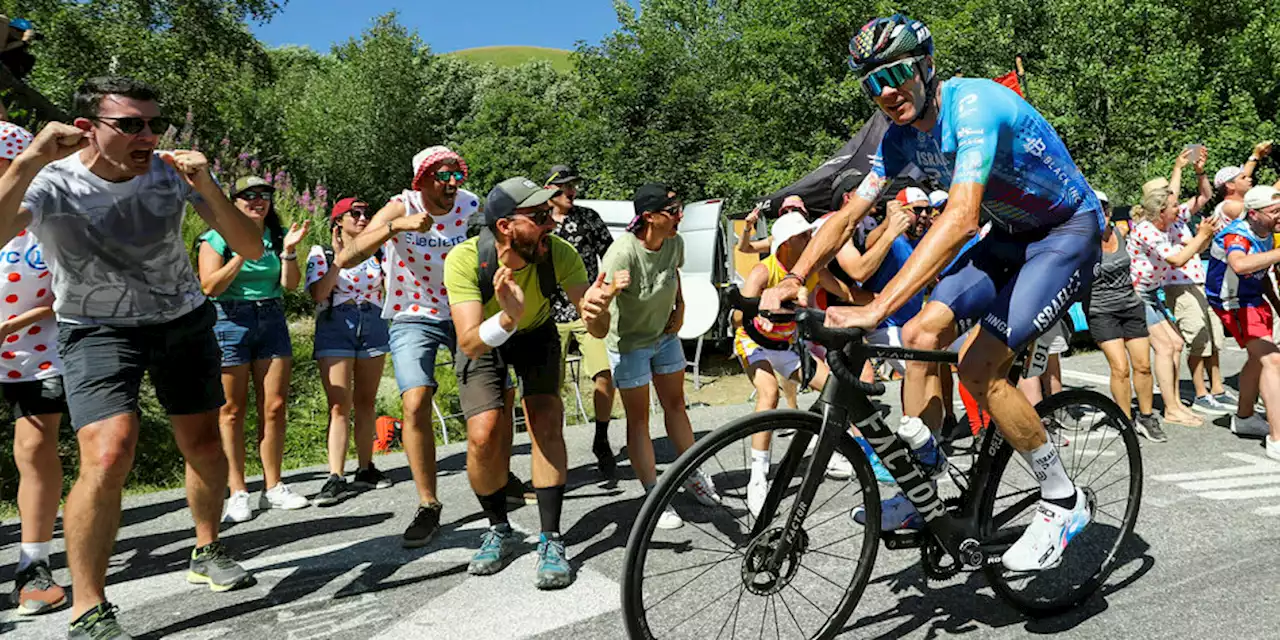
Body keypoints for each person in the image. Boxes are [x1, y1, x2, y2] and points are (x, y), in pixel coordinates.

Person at [765, 14, 1104, 571]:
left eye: (895, 74)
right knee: (922, 332)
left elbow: (962, 218)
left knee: (977, 367)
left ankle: (1062, 499)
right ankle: (925, 473)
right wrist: (797, 278)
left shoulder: (974, 106)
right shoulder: (899, 139)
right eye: (872, 83)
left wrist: (875, 306)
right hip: (1011, 235)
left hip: (1064, 234)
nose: (887, 91)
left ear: (925, 66)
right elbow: (849, 212)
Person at [0, 76, 260, 638]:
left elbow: (250, 247)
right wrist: (27, 160)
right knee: (109, 452)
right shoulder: (51, 181)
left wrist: (208, 185)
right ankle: (87, 605)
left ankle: (207, 548)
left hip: (181, 320)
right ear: (89, 129)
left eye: (155, 124)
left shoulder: (170, 173)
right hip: (94, 328)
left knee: (204, 444)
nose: (149, 136)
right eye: (131, 125)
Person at [444, 176, 616, 589]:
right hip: (486, 338)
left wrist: (598, 310)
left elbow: (595, 327)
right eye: (539, 216)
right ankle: (498, 528)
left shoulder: (559, 253)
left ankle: (551, 538)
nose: (552, 222)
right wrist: (506, 317)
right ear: (505, 226)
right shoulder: (465, 259)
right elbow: (468, 341)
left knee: (546, 419)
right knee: (484, 435)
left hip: (536, 333)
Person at [335, 145, 477, 547]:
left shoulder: (470, 206)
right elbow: (347, 256)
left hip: (463, 307)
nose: (452, 184)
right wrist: (396, 228)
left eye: (457, 175)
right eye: (443, 176)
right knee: (415, 403)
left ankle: (500, 479)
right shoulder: (401, 206)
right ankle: (428, 504)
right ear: (423, 179)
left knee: (493, 396)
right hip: (413, 311)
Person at [603, 183, 719, 530]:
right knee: (639, 419)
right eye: (673, 210)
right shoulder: (622, 253)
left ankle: (692, 475)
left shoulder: (674, 241)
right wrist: (610, 290)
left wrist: (681, 308)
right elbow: (598, 302)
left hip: (664, 336)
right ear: (650, 217)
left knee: (676, 405)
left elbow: (675, 276)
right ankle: (654, 495)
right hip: (629, 344)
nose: (680, 215)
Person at [733, 210, 864, 516]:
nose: (812, 240)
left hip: (786, 346)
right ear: (788, 243)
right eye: (806, 236)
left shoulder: (812, 270)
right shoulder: (763, 273)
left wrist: (879, 304)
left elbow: (845, 293)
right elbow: (739, 316)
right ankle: (758, 478)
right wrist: (767, 309)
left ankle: (831, 451)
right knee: (769, 393)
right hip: (754, 343)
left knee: (836, 386)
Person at [197, 176, 311, 521]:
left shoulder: (275, 236)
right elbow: (209, 287)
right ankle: (238, 491)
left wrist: (288, 252)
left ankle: (273, 486)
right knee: (231, 410)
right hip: (228, 319)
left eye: (264, 195)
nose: (258, 200)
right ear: (233, 202)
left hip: (271, 316)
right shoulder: (215, 237)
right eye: (248, 196)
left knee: (274, 406)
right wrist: (241, 255)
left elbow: (291, 286)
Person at [0, 122, 68, 617]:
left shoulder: (49, 216)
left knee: (35, 445)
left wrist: (13, 324)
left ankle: (33, 565)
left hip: (37, 353)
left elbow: (67, 291)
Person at [307, 197, 393, 506]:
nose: (362, 218)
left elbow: (392, 284)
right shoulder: (322, 253)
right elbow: (318, 293)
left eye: (364, 213)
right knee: (339, 405)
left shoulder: (378, 251)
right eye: (353, 214)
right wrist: (339, 260)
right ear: (338, 222)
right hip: (336, 323)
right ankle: (335, 476)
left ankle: (366, 467)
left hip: (372, 320)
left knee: (366, 401)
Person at [545, 164, 618, 479]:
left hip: (587, 309)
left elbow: (612, 255)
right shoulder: (540, 223)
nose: (571, 191)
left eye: (573, 185)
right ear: (550, 191)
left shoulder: (588, 218)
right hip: (550, 314)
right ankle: (555, 444)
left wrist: (607, 291)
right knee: (550, 386)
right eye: (563, 187)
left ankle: (601, 439)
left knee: (604, 373)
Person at [1127, 174, 1217, 427]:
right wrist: (1202, 236)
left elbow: (1192, 248)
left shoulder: (1168, 227)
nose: (1179, 209)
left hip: (1151, 292)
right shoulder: (1147, 230)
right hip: (1135, 294)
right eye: (1174, 206)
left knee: (1176, 343)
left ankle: (1175, 403)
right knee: (1166, 348)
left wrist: (1204, 235)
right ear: (1160, 212)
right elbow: (1177, 260)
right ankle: (1170, 408)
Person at [1150, 150, 1234, 415]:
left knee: (1214, 335)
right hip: (1179, 285)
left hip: (1199, 281)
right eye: (1168, 198)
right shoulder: (1158, 227)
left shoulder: (1180, 218)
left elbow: (1205, 195)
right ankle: (1200, 392)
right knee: (1197, 337)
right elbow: (1179, 256)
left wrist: (1198, 170)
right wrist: (1177, 169)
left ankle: (1217, 387)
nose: (1175, 201)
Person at [1205, 185, 1280, 458]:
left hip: (1253, 296)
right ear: (1254, 214)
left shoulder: (1268, 231)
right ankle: (1276, 439)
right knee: (1273, 360)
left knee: (1257, 359)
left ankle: (1245, 417)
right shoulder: (1236, 234)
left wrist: (1277, 305)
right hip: (1231, 301)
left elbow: (1263, 271)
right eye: (1275, 211)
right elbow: (1240, 265)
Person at [1084, 190, 1162, 440]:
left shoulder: (1122, 231)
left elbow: (1158, 207)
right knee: (1120, 368)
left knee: (1143, 366)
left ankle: (1147, 418)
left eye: (1104, 209)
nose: (1101, 214)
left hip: (1130, 306)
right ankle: (1124, 418)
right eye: (1095, 210)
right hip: (1101, 310)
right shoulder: (1082, 243)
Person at [1212, 141, 1275, 223]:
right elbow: (1269, 199)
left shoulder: (1231, 204)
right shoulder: (1230, 207)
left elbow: (1245, 174)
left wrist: (1256, 155)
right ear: (1230, 185)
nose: (1249, 179)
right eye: (1243, 178)